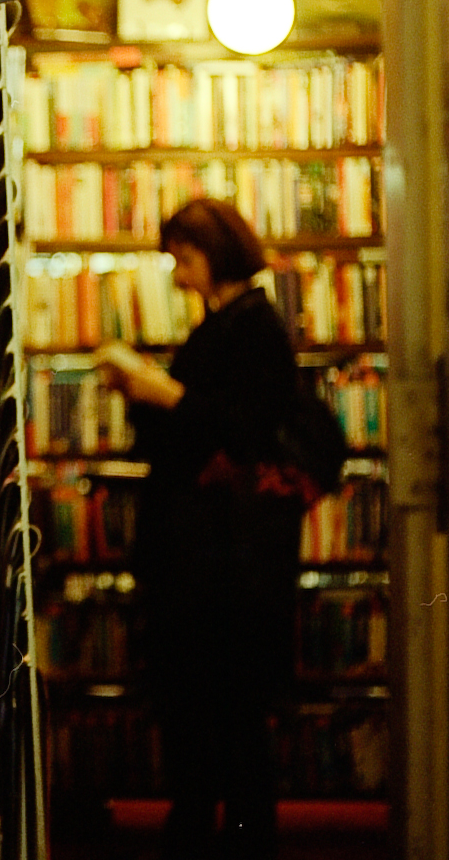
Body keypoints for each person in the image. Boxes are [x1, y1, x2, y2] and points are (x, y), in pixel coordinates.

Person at [95, 198, 305, 860]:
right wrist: (146, 392)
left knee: (222, 710)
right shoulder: (223, 322)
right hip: (203, 555)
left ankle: (230, 836)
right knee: (204, 708)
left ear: (212, 253)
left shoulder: (255, 325)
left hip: (221, 561)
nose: (176, 271)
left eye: (182, 256)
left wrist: (166, 393)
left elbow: (245, 431)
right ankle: (211, 828)